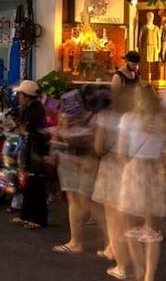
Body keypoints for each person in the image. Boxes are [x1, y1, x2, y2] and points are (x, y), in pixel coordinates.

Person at [116, 86, 166, 281]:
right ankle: (149, 276)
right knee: (153, 229)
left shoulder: (128, 119)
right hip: (155, 172)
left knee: (130, 224)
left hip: (134, 170)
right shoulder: (163, 120)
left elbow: (122, 152)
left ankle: (139, 270)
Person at [52, 86, 103, 256]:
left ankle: (76, 242)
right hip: (89, 160)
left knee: (78, 201)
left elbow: (64, 134)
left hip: (73, 160)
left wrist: (62, 130)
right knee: (88, 203)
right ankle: (111, 243)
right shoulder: (98, 115)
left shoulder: (71, 111)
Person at [93, 89, 133, 279]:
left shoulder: (104, 118)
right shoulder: (131, 117)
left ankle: (120, 262)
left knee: (113, 217)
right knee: (125, 216)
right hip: (131, 167)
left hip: (110, 167)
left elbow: (99, 148)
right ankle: (113, 249)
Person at [12, 80, 49, 229]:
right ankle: (25, 215)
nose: (19, 96)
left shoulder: (36, 109)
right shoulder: (29, 108)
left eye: (21, 94)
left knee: (36, 185)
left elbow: (29, 130)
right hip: (30, 149)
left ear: (27, 96)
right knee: (28, 183)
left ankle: (39, 219)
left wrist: (21, 128)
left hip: (36, 150)